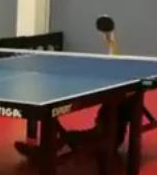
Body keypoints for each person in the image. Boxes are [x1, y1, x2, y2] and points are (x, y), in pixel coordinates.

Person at [14, 17, 133, 159]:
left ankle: (42, 154)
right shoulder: (120, 99)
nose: (96, 119)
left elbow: (115, 63)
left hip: (108, 141)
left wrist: (110, 40)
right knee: (71, 135)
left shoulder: (116, 107)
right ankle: (43, 151)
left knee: (70, 136)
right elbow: (115, 63)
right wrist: (110, 39)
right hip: (109, 137)